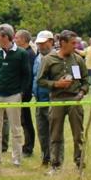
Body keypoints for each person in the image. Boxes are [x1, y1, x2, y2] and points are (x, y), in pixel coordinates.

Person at [37, 30, 90, 174]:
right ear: (62, 43)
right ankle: (55, 164)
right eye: (72, 43)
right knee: (55, 134)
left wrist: (81, 92)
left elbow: (85, 81)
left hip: (74, 99)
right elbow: (40, 81)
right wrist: (56, 84)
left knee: (78, 134)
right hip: (57, 100)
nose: (75, 46)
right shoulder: (49, 59)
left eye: (76, 43)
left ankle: (79, 163)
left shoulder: (78, 59)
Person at [0, 24, 31, 167]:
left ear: (6, 37)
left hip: (13, 95)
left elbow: (26, 74)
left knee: (16, 128)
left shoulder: (21, 53)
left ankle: (16, 156)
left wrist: (21, 91)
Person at [32, 31, 55, 167]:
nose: (41, 46)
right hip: (39, 100)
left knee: (54, 132)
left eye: (43, 43)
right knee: (42, 131)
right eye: (39, 44)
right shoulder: (37, 58)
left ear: (51, 42)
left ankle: (55, 159)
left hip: (51, 99)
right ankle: (45, 157)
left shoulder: (56, 58)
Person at [14, 29, 37, 158]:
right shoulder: (23, 53)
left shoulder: (28, 54)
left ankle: (28, 147)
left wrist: (24, 92)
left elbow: (27, 75)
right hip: (21, 91)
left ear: (23, 40)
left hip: (24, 93)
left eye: (17, 38)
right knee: (23, 120)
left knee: (26, 120)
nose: (15, 40)